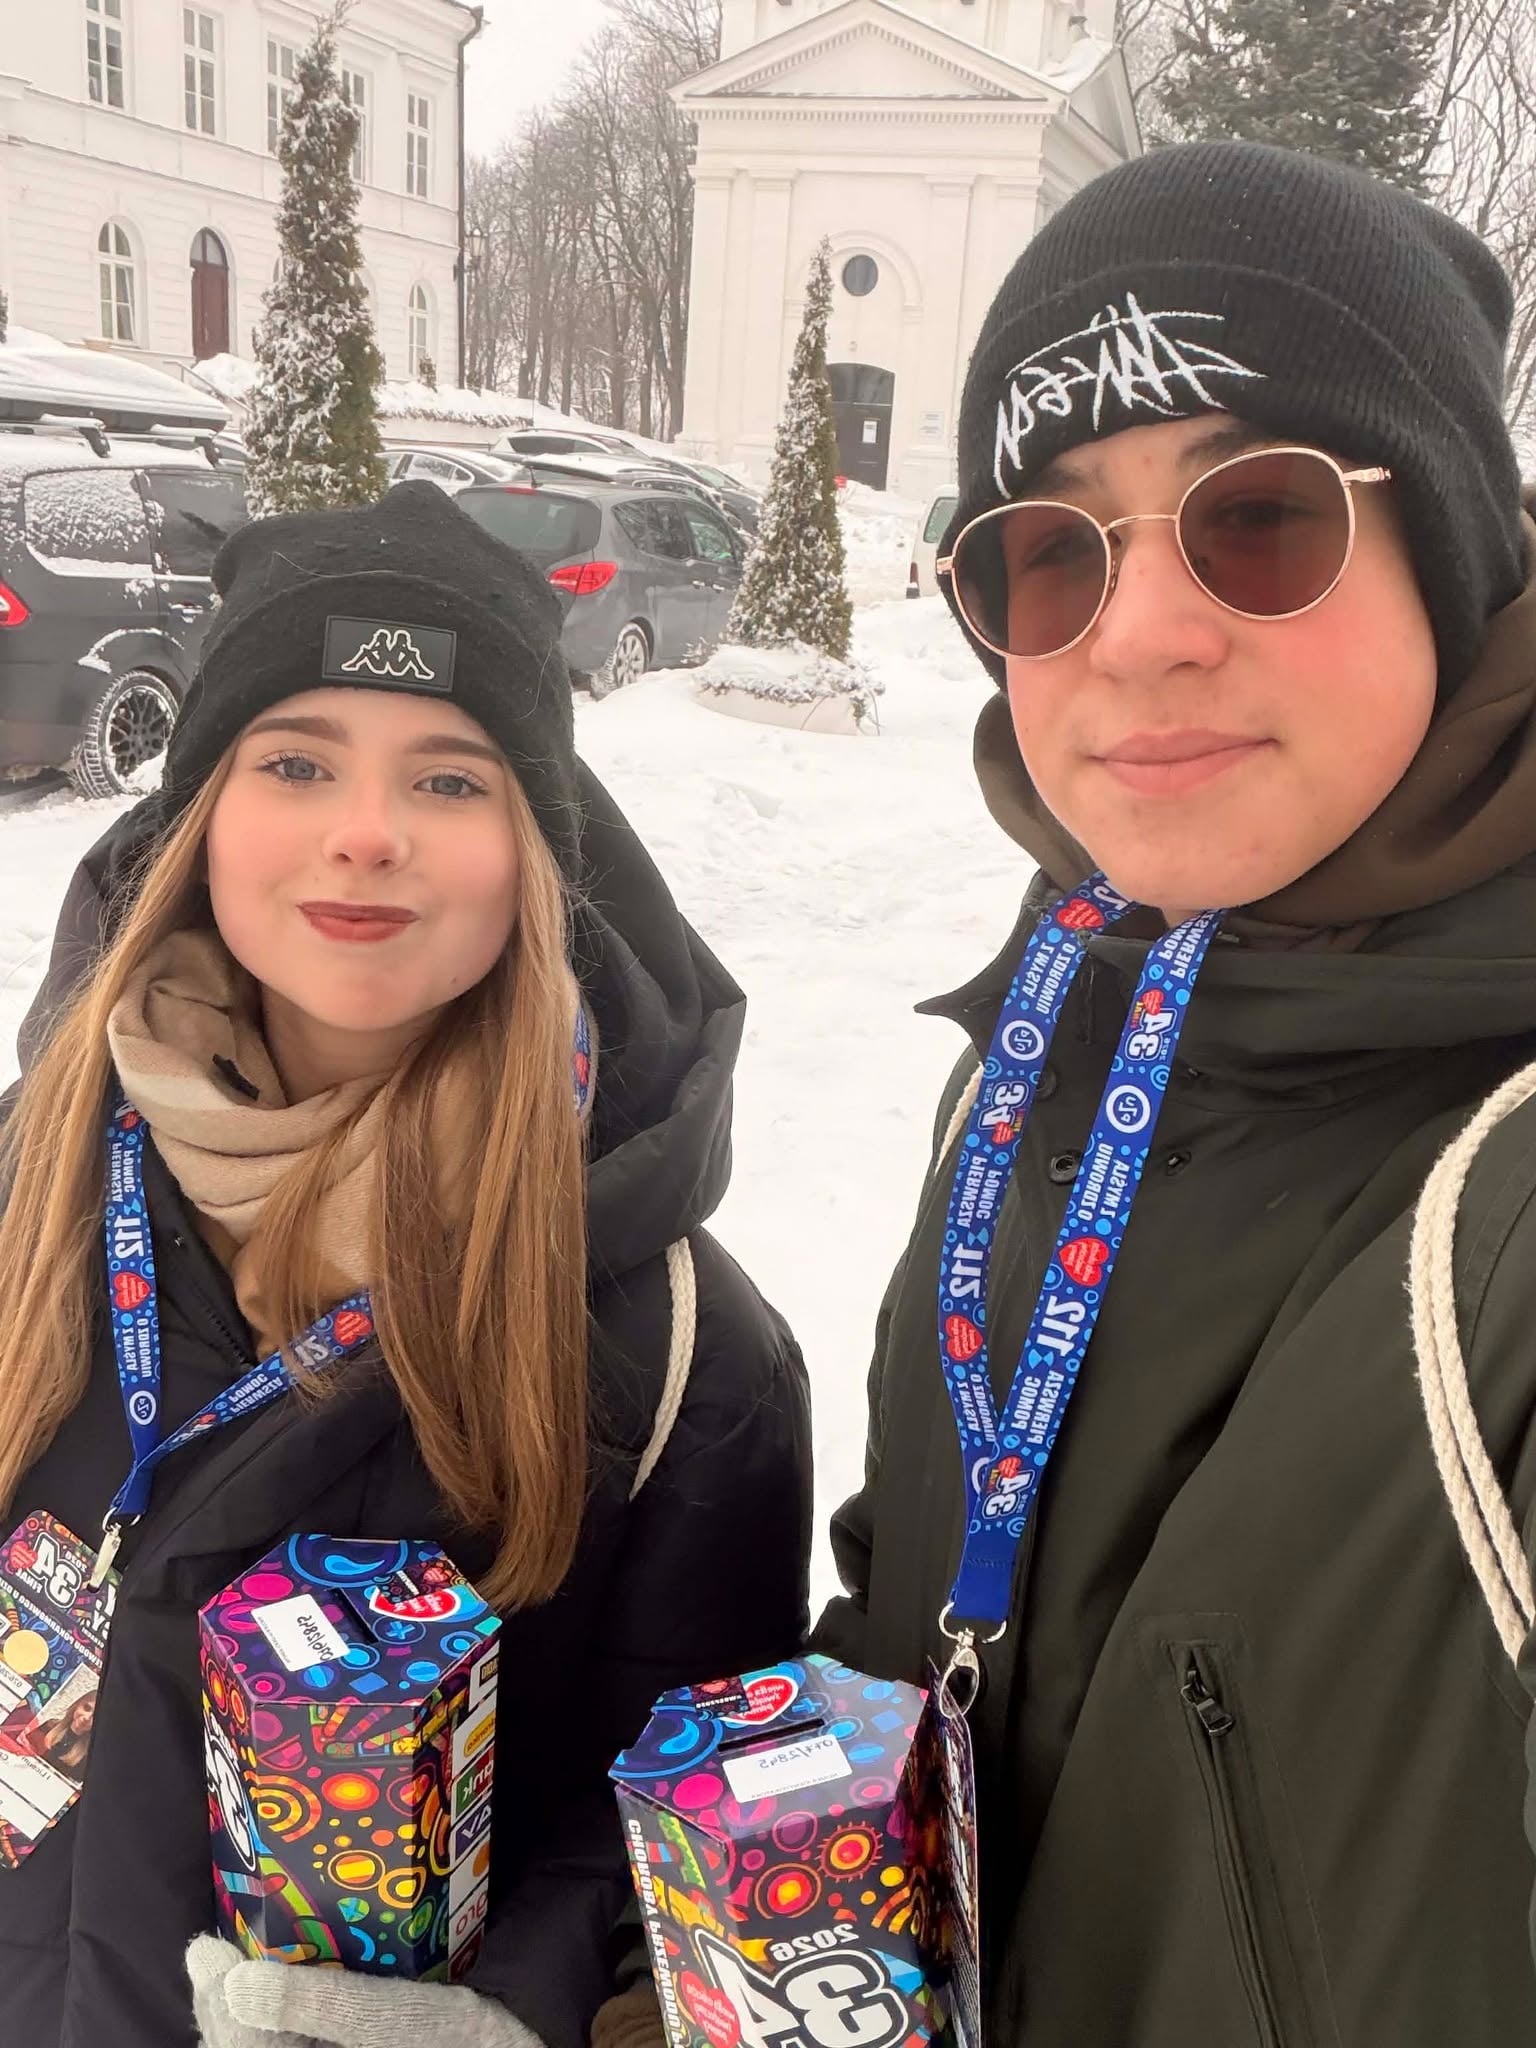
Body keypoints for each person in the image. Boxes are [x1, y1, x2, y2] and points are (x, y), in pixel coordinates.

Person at [809, 142, 1536, 2042]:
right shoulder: (1042, 1042)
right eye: (1052, 554)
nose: (1137, 633)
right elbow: (919, 1589)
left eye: (1262, 519)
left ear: (1457, 556)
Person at [0, 484, 812, 2048]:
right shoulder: (29, 1188)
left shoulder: (683, 1357)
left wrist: (521, 2006)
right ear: (198, 819)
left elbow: (681, 1834)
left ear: (535, 851)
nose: (365, 832)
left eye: (448, 778)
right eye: (295, 762)